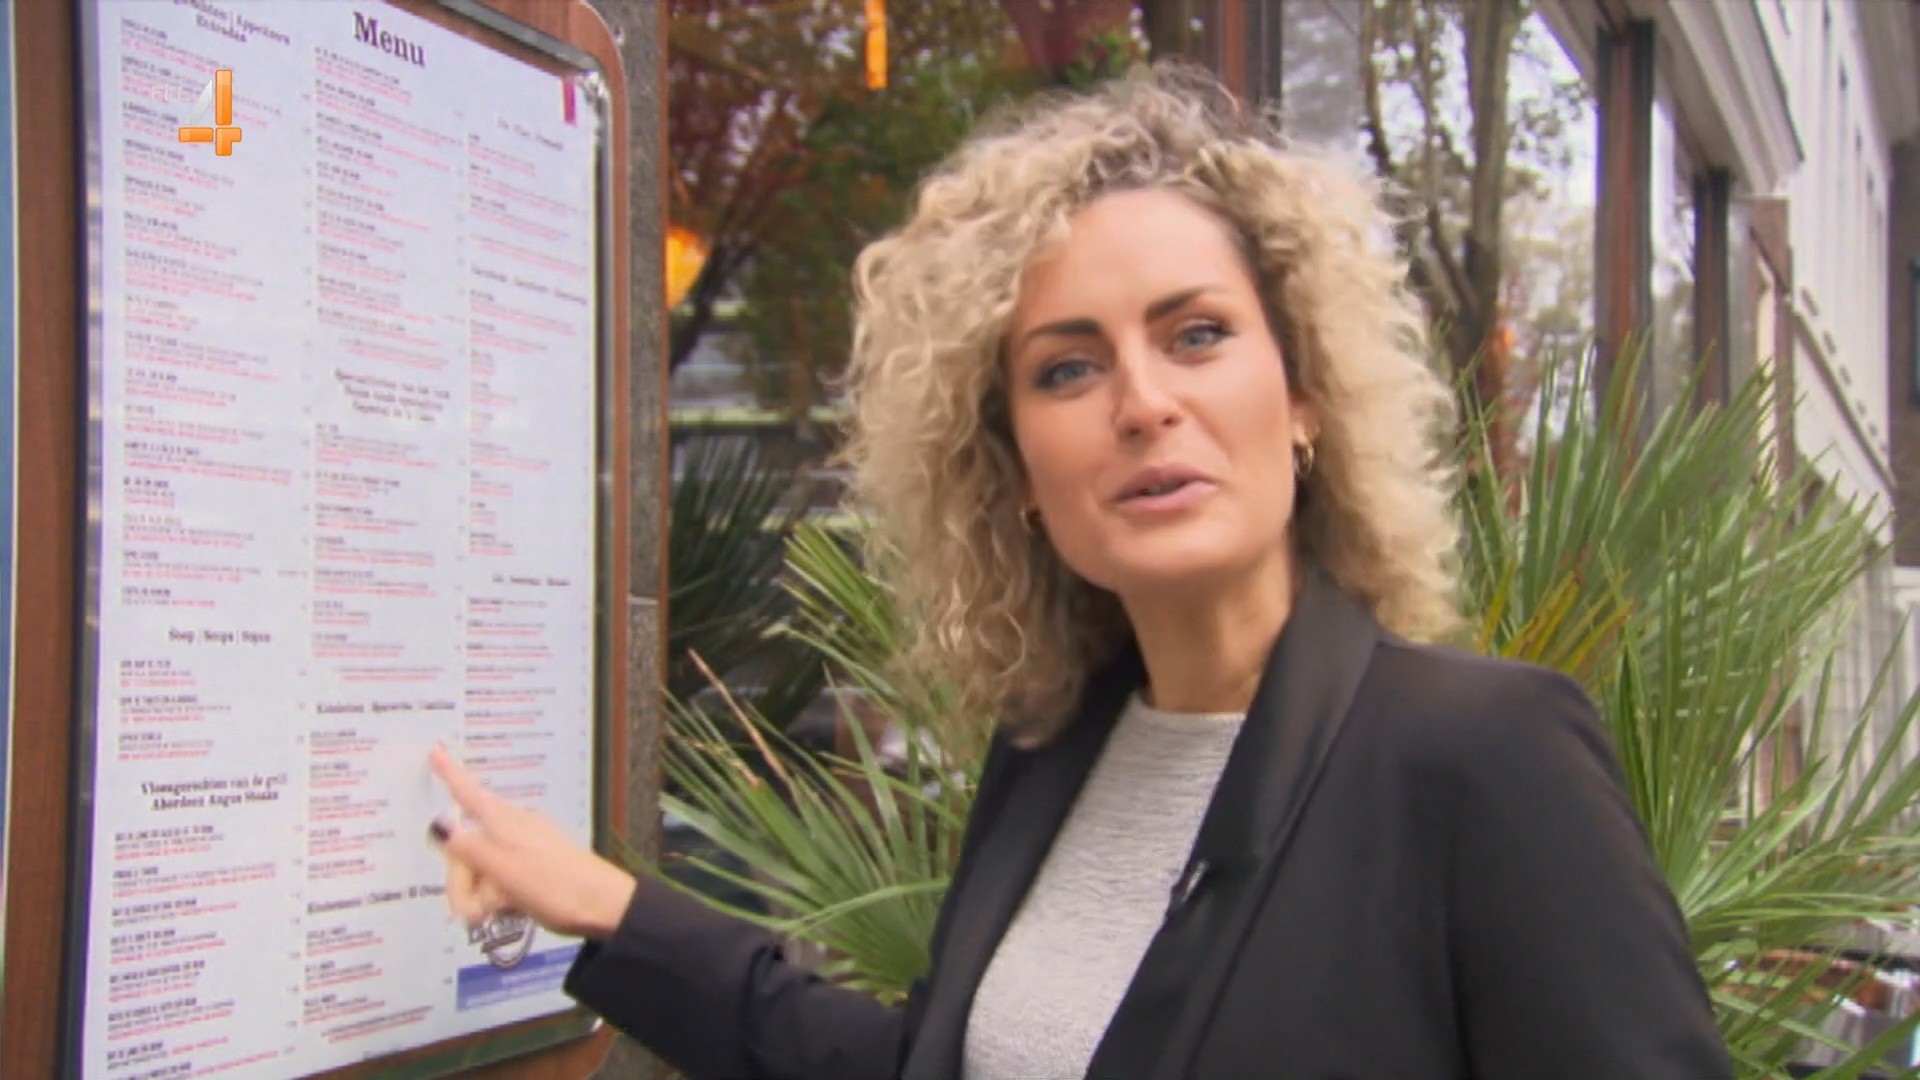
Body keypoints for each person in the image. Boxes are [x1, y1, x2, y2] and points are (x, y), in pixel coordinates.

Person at [426, 64, 1733, 1080]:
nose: (1143, 402)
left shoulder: (1482, 756)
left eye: (1197, 335)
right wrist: (614, 913)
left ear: (1305, 399)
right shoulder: (1053, 751)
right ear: (1015, 469)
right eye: (1067, 367)